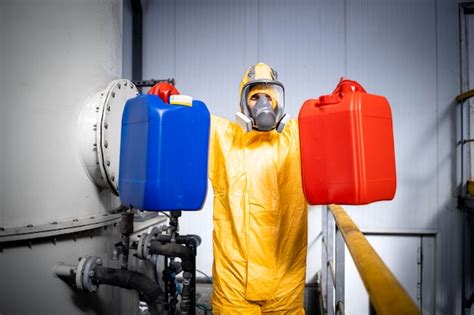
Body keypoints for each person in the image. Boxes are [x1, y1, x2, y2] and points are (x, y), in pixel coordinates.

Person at [209, 62, 308, 314]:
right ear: (243, 102)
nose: (263, 103)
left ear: (279, 101)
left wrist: (346, 99)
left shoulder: (298, 136)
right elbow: (188, 121)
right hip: (234, 280)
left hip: (285, 279)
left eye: (269, 96)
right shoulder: (223, 136)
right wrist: (170, 100)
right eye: (255, 97)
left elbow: (333, 127)